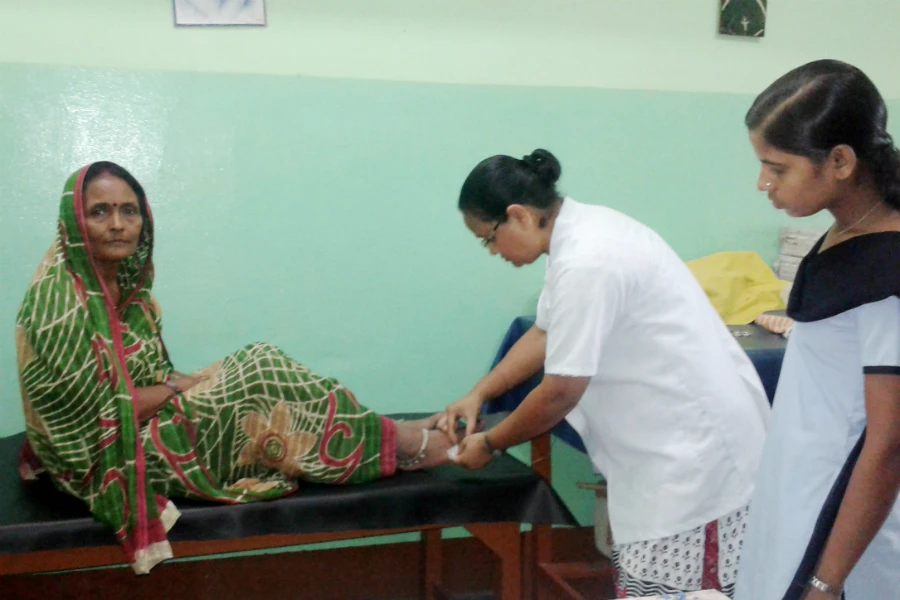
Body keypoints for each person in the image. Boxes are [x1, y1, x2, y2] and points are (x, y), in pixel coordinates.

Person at [15, 162, 453, 574]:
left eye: (129, 211)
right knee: (259, 375)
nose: (117, 224)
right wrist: (174, 389)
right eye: (100, 212)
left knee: (258, 363)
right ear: (74, 222)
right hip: (106, 457)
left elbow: (140, 376)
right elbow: (105, 414)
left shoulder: (127, 288)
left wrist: (179, 387)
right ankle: (404, 444)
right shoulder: (59, 307)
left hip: (142, 422)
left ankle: (387, 434)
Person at [439, 148, 771, 598]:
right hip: (666, 451)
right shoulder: (579, 236)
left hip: (694, 458)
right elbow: (544, 333)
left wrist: (492, 443)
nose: (494, 252)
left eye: (489, 238)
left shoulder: (589, 259)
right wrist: (479, 392)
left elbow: (560, 392)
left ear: (518, 216)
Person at [735, 60, 900, 600]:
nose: (763, 184)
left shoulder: (889, 271)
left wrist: (826, 581)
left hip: (845, 530)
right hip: (803, 493)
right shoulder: (845, 231)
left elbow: (889, 443)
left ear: (841, 161)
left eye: (777, 168)